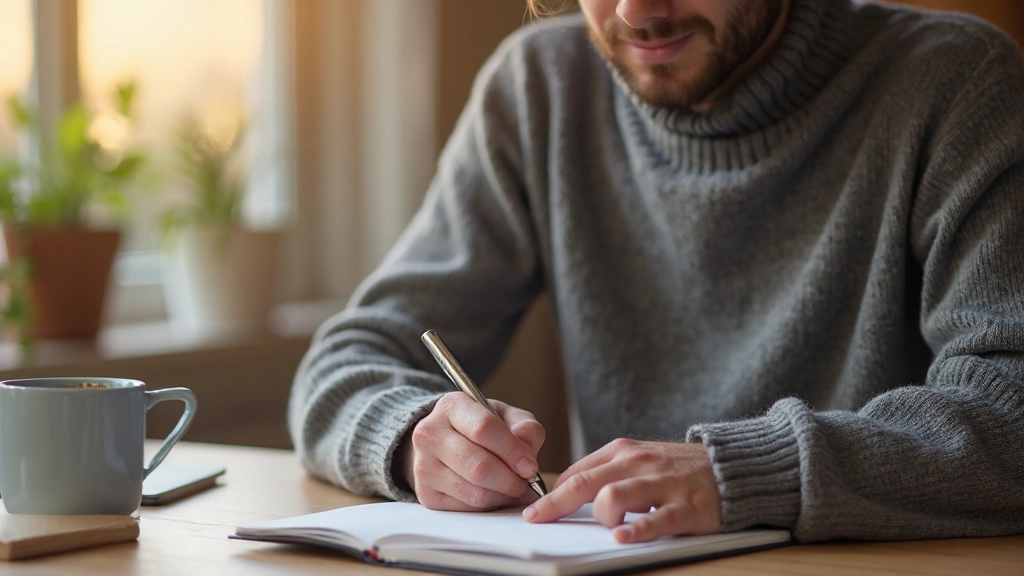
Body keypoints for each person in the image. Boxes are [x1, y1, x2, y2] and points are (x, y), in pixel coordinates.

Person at [289, 0, 1024, 544]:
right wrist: (416, 436)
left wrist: (749, 473)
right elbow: (343, 362)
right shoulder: (540, 87)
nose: (635, 13)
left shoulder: (956, 83)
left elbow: (1012, 404)